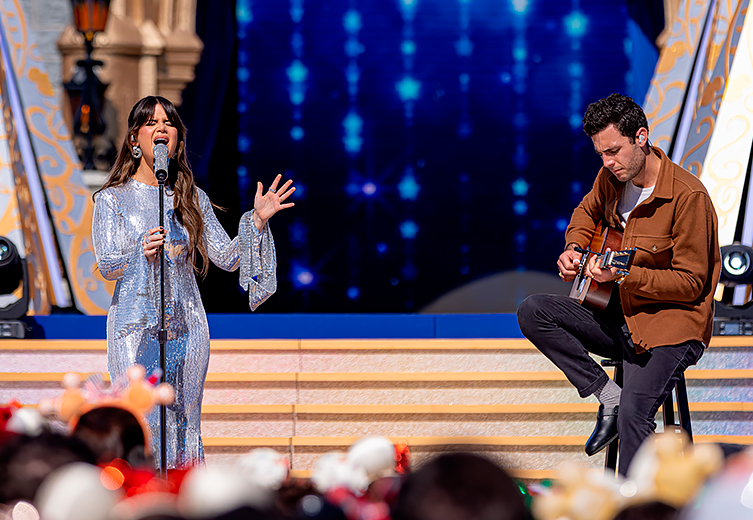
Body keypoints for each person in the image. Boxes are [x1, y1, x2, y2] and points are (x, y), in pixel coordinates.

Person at [516, 93, 720, 475]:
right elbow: (586, 211)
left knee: (634, 416)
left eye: (614, 151)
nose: (608, 162)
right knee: (533, 310)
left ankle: (633, 508)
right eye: (601, 155)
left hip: (669, 329)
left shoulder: (688, 197)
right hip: (617, 315)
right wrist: (573, 247)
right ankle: (607, 395)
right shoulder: (611, 178)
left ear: (641, 137)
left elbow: (692, 283)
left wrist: (624, 274)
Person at [92, 95, 294, 468]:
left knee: (184, 415)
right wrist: (141, 250)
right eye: (151, 123)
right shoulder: (111, 199)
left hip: (186, 322)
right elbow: (106, 263)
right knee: (142, 412)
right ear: (135, 139)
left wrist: (257, 222)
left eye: (168, 123)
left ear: (178, 141)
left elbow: (228, 257)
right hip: (134, 326)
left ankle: (182, 496)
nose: (161, 128)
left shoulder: (191, 198)